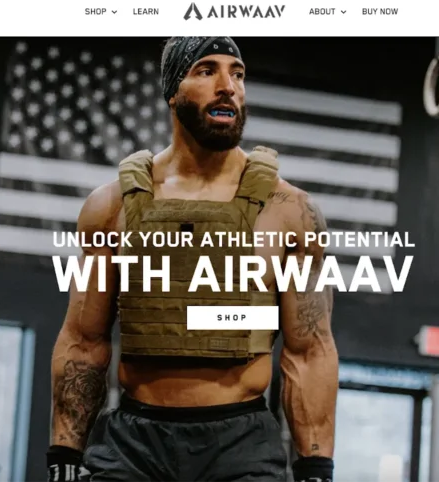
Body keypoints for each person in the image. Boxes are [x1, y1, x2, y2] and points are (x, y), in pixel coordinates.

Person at [45, 36, 338, 482]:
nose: (228, 86)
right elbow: (84, 341)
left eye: (237, 74)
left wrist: (316, 467)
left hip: (241, 445)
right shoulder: (111, 206)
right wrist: (64, 457)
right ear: (172, 91)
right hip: (136, 445)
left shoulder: (290, 211)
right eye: (207, 70)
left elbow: (310, 350)